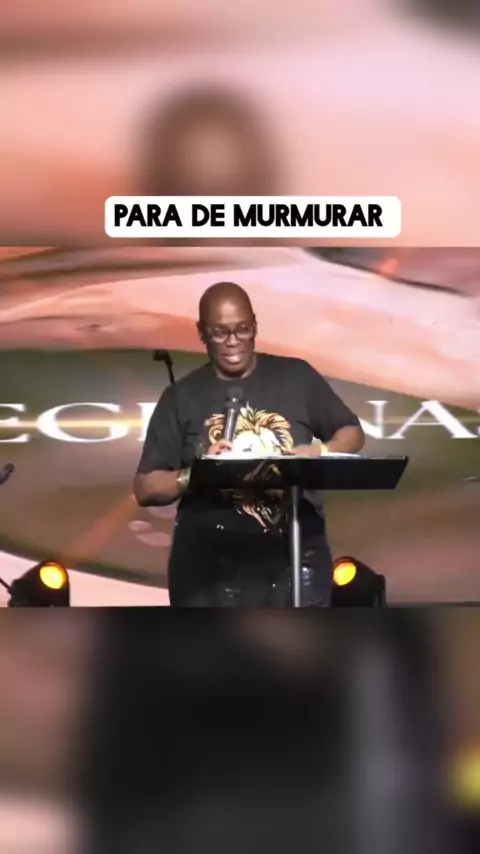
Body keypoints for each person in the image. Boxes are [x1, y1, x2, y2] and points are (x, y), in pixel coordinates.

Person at [134, 282, 365, 606]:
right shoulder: (181, 397)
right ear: (202, 332)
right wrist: (196, 474)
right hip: (209, 567)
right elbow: (146, 487)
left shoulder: (296, 377)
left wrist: (320, 452)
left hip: (294, 558)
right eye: (220, 332)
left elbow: (352, 433)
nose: (233, 341)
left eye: (242, 329)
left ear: (255, 326)